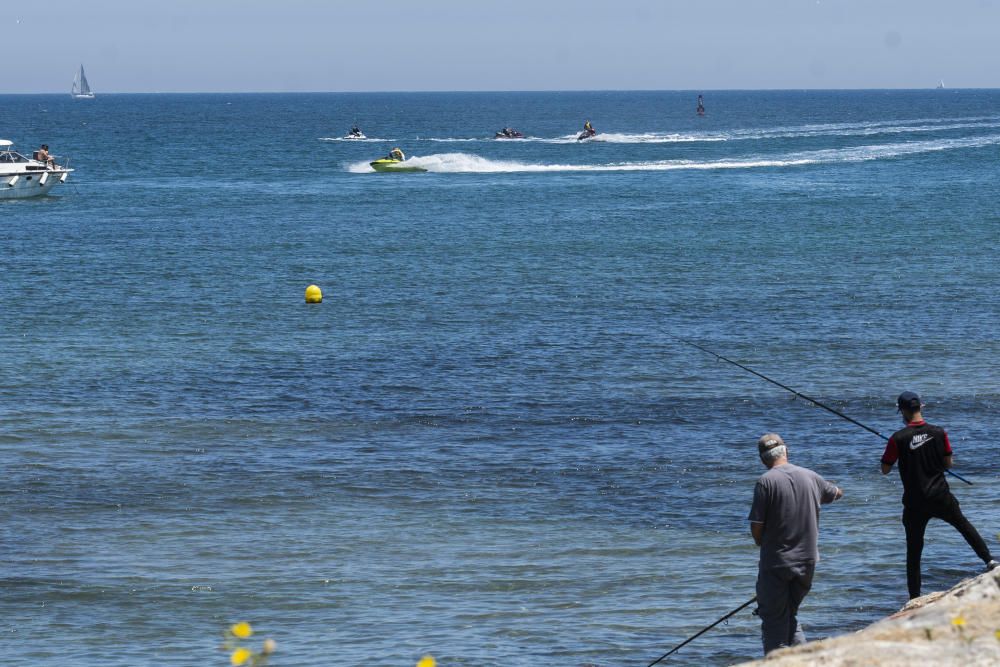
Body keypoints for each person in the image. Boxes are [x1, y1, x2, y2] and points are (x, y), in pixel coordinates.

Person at [880, 391, 997, 599]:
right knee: (963, 524)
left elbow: (885, 469)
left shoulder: (898, 438)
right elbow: (948, 463)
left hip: (915, 501)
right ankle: (989, 561)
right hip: (940, 495)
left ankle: (914, 597)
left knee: (914, 550)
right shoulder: (939, 432)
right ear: (920, 408)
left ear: (904, 411)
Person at [749, 433, 842, 655]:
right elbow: (836, 493)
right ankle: (805, 658)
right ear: (786, 451)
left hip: (777, 563)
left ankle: (778, 660)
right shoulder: (810, 476)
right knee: (788, 615)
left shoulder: (766, 481)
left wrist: (762, 542)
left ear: (763, 459)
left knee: (773, 622)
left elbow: (756, 527)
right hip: (807, 561)